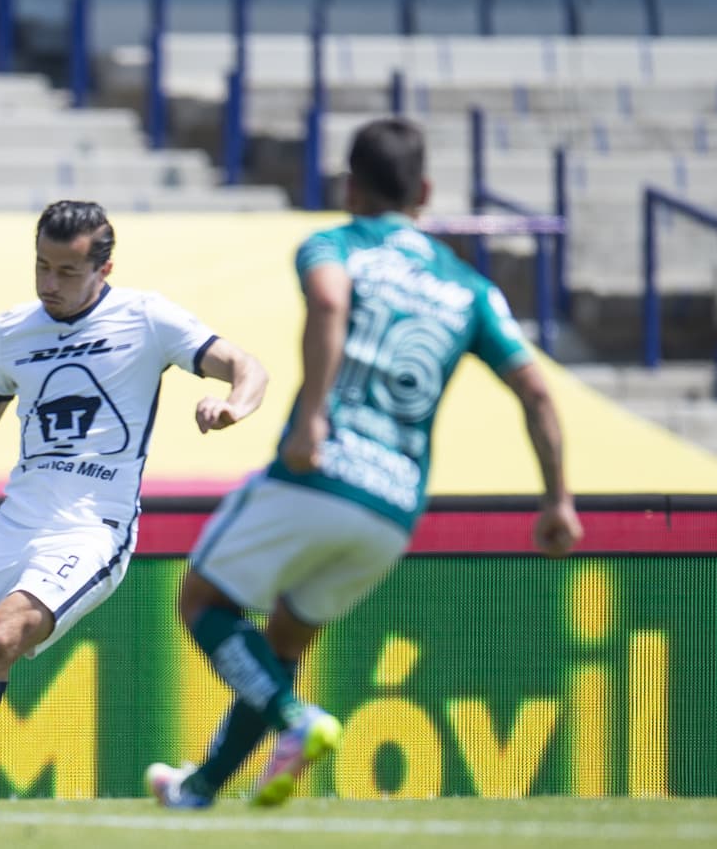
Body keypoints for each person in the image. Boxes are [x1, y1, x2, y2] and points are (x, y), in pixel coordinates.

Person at [145, 117, 585, 809]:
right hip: (396, 506)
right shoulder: (470, 288)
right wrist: (557, 499)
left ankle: (296, 723)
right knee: (284, 638)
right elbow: (535, 388)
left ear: (349, 186)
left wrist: (313, 416)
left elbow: (328, 298)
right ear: (427, 190)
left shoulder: (335, 245)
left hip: (322, 470)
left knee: (202, 601)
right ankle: (201, 788)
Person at [0, 199, 269, 801]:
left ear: (103, 270)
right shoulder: (10, 332)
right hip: (16, 521)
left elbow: (245, 363)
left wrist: (234, 402)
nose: (49, 284)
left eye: (66, 272)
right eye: (41, 267)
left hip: (92, 530)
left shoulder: (147, 318)